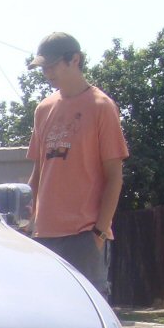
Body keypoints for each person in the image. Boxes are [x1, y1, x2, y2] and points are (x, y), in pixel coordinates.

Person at [25, 32, 128, 298]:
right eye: (43, 67)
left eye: (52, 65)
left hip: (84, 236)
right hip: (44, 236)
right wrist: (27, 221)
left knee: (86, 314)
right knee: (45, 311)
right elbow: (38, 172)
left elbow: (114, 177)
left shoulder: (102, 106)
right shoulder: (43, 109)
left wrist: (99, 233)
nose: (47, 73)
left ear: (75, 60)